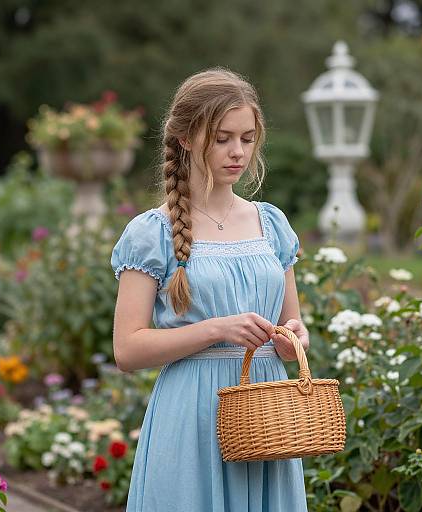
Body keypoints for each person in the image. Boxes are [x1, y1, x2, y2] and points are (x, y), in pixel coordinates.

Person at [111, 67, 310, 512]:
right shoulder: (151, 233)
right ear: (185, 138)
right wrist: (217, 329)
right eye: (221, 138)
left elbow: (291, 327)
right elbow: (127, 350)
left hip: (267, 418)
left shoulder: (272, 225)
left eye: (246, 137)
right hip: (193, 418)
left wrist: (293, 337)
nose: (237, 151)